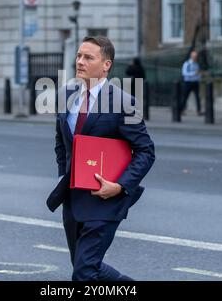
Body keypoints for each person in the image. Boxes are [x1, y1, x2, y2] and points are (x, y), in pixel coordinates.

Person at [46, 35, 155, 281]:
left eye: (88, 57)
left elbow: (146, 151)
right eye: (79, 55)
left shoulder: (124, 102)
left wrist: (119, 186)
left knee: (83, 273)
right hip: (73, 198)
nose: (80, 61)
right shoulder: (66, 95)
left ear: (106, 65)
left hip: (106, 199)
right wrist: (65, 174)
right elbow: (61, 141)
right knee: (85, 266)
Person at [181, 50, 203, 115]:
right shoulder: (187, 64)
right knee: (185, 97)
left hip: (195, 82)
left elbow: (198, 73)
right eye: (194, 56)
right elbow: (184, 73)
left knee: (197, 97)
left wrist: (199, 77)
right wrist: (194, 73)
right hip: (188, 82)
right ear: (191, 56)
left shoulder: (197, 64)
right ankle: (182, 110)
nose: (195, 58)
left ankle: (198, 111)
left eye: (196, 56)